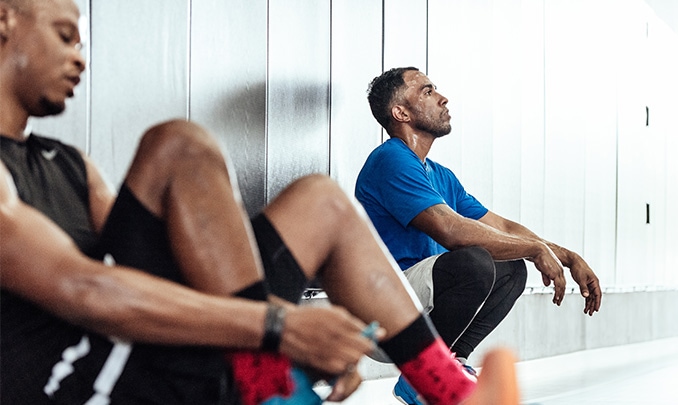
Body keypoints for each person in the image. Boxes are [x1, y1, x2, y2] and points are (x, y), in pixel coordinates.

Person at [0, 2, 521, 404]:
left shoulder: (66, 163)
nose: (79, 57)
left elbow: (142, 271)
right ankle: (267, 377)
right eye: (64, 36)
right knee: (180, 148)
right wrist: (280, 327)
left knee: (290, 188)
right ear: (6, 20)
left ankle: (445, 390)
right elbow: (84, 288)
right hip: (75, 382)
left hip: (138, 353)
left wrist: (305, 336)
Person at [356, 66, 603, 404]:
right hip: (382, 314)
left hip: (416, 306)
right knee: (472, 262)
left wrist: (564, 255)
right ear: (400, 112)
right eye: (427, 92)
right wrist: (534, 249)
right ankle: (420, 378)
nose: (443, 98)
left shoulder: (440, 175)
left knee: (511, 267)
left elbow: (499, 228)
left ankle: (449, 364)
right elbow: (451, 231)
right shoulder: (391, 160)